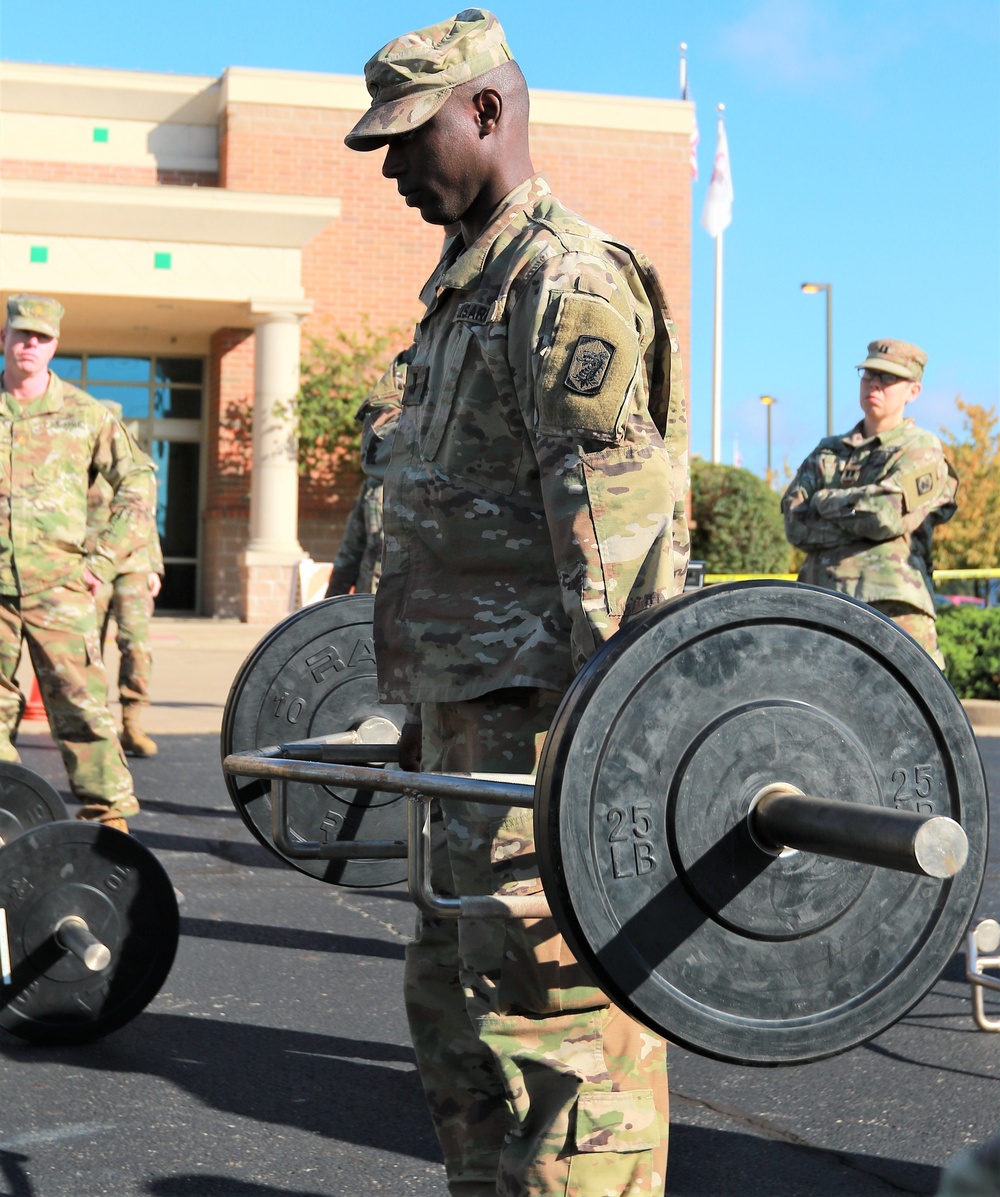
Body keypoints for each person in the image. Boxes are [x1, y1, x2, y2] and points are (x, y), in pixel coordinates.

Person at [345, 11, 689, 1196]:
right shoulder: (461, 295)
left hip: (551, 750)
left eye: (406, 136)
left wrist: (622, 781)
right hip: (461, 747)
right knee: (458, 1028)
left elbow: (625, 562)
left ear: (485, 112)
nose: (390, 167)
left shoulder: (566, 282)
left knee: (561, 1042)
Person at [0, 293, 154, 832]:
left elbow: (138, 479)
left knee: (81, 706)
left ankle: (110, 819)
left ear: (54, 347)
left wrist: (103, 558)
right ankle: (6, 816)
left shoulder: (85, 414)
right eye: (22, 334)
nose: (30, 345)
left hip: (59, 584)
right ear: (4, 339)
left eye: (41, 337)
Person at [782, 338, 958, 667]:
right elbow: (795, 524)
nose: (875, 384)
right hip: (822, 604)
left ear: (913, 391)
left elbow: (886, 515)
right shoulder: (828, 451)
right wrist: (859, 512)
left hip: (894, 608)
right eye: (868, 375)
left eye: (888, 378)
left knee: (904, 716)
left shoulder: (920, 449)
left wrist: (822, 501)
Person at [88, 463, 164, 756]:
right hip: (92, 561)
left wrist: (154, 565)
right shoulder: (81, 457)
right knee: (87, 647)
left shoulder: (133, 462)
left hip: (133, 563)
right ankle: (94, 725)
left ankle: (132, 725)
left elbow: (145, 514)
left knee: (137, 645)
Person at [324, 355, 405, 598]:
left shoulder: (442, 484)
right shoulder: (374, 487)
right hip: (368, 608)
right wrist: (328, 612)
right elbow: (350, 553)